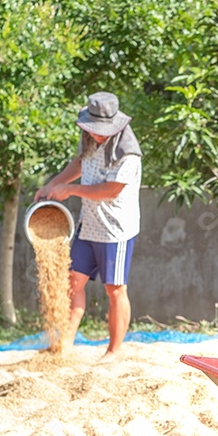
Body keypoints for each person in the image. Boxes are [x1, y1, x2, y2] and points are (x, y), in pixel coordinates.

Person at [35, 91, 142, 360]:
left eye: (100, 130)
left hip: (115, 229)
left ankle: (113, 351)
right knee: (73, 281)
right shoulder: (91, 138)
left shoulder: (127, 152)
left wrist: (70, 191)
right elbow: (80, 162)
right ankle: (64, 344)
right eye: (92, 129)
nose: (96, 135)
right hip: (88, 225)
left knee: (115, 289)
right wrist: (51, 185)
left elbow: (111, 190)